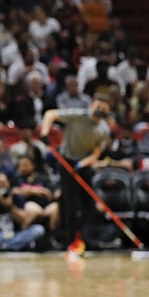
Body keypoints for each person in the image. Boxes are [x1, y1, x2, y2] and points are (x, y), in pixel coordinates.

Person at [39, 93, 111, 257]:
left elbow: (95, 154)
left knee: (90, 205)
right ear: (92, 105)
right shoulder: (77, 115)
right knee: (70, 204)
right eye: (98, 106)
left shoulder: (104, 130)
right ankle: (70, 242)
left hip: (83, 164)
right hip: (66, 161)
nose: (100, 110)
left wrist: (80, 165)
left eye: (104, 108)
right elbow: (50, 114)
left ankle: (85, 238)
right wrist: (45, 133)